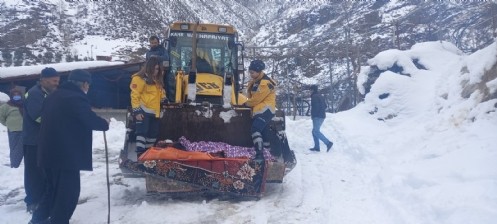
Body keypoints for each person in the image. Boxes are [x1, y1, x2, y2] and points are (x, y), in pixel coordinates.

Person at [30, 69, 109, 224]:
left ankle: (37, 220)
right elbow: (87, 118)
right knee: (67, 194)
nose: (88, 88)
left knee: (52, 191)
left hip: (48, 153)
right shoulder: (75, 97)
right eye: (88, 85)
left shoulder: (54, 95)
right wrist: (104, 123)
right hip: (65, 156)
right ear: (85, 84)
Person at [22, 67, 60, 213]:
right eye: (54, 81)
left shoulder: (49, 93)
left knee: (45, 172)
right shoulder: (34, 94)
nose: (56, 84)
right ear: (43, 80)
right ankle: (33, 201)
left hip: (45, 140)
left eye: (58, 81)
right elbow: (38, 116)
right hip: (33, 140)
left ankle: (45, 199)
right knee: (34, 172)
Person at [130, 56, 166, 157]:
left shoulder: (157, 80)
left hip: (155, 112)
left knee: (153, 135)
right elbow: (135, 95)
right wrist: (137, 111)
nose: (157, 71)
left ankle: (148, 155)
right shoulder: (139, 79)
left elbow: (161, 92)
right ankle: (140, 155)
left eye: (158, 69)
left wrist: (164, 98)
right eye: (155, 69)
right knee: (142, 133)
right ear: (149, 68)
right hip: (143, 111)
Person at [243, 60, 277, 159]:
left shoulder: (265, 83)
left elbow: (256, 99)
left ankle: (259, 154)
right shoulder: (256, 82)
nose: (250, 74)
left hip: (265, 110)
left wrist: (246, 104)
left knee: (255, 129)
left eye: (252, 72)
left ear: (258, 72)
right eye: (250, 72)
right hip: (260, 110)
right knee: (264, 132)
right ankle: (267, 153)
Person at [0, 88, 24, 168]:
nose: (16, 96)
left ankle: (17, 164)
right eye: (15, 95)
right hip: (13, 129)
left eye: (18, 95)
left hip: (24, 129)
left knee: (22, 147)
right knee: (14, 148)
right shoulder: (7, 105)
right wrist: (8, 124)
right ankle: (14, 165)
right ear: (11, 96)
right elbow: (1, 116)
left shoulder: (23, 104)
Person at [309, 85, 333, 152]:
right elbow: (325, 106)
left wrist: (314, 115)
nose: (309, 91)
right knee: (314, 131)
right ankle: (317, 147)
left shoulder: (314, 97)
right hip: (321, 116)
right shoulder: (320, 96)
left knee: (316, 131)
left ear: (313, 90)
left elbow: (315, 107)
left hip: (317, 116)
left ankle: (328, 143)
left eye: (310, 90)